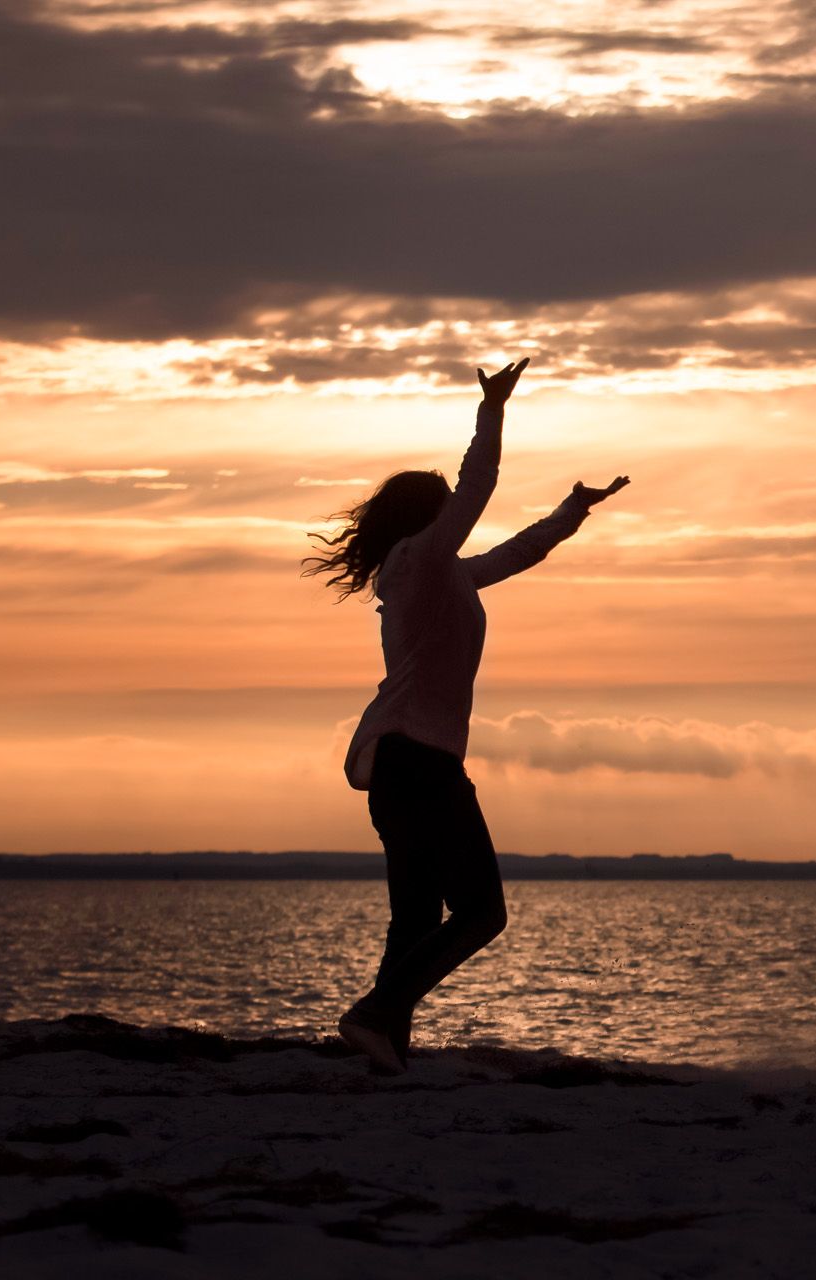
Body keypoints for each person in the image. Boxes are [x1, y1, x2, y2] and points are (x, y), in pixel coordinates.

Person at [304, 357, 628, 1073]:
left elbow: (516, 552)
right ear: (427, 513)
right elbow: (480, 486)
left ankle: (382, 1045)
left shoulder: (441, 571)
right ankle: (376, 1014)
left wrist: (574, 510)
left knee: (417, 918)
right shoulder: (418, 560)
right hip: (416, 759)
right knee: (483, 912)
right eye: (444, 501)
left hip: (407, 762)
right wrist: (493, 410)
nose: (455, 505)